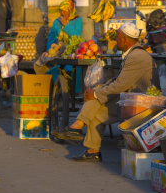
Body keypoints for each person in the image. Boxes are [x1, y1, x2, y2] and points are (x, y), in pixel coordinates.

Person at [51, 22, 159, 162]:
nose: (115, 40)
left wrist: (96, 94)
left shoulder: (136, 56)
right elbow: (117, 80)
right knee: (95, 110)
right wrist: (97, 89)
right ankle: (92, 150)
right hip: (130, 97)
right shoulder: (132, 54)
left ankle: (77, 126)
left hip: (141, 102)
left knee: (95, 100)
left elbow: (119, 85)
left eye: (117, 38)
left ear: (125, 40)